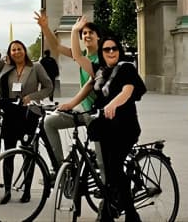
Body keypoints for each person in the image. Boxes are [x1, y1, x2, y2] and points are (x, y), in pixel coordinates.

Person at [58, 36, 146, 222]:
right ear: (102, 53)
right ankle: (108, 211)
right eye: (107, 49)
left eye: (114, 48)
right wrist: (74, 31)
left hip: (125, 127)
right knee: (107, 170)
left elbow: (127, 91)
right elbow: (77, 57)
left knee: (114, 168)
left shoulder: (127, 68)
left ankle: (131, 214)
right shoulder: (99, 71)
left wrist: (113, 104)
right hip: (105, 127)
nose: (111, 52)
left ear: (119, 50)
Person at [0, 21, 52, 204]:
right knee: (9, 153)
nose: (16, 52)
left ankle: (27, 190)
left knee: (28, 153)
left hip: (30, 114)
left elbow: (48, 86)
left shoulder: (36, 67)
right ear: (9, 53)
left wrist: (33, 96)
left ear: (25, 51)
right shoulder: (6, 67)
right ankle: (7, 190)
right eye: (13, 50)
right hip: (11, 114)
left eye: (19, 48)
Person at [35, 11, 100, 166]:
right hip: (83, 110)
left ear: (99, 37)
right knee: (49, 122)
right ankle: (60, 168)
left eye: (91, 32)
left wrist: (74, 30)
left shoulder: (101, 59)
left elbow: (90, 85)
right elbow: (57, 46)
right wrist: (45, 28)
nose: (87, 35)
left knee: (102, 162)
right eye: (84, 33)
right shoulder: (83, 54)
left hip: (98, 114)